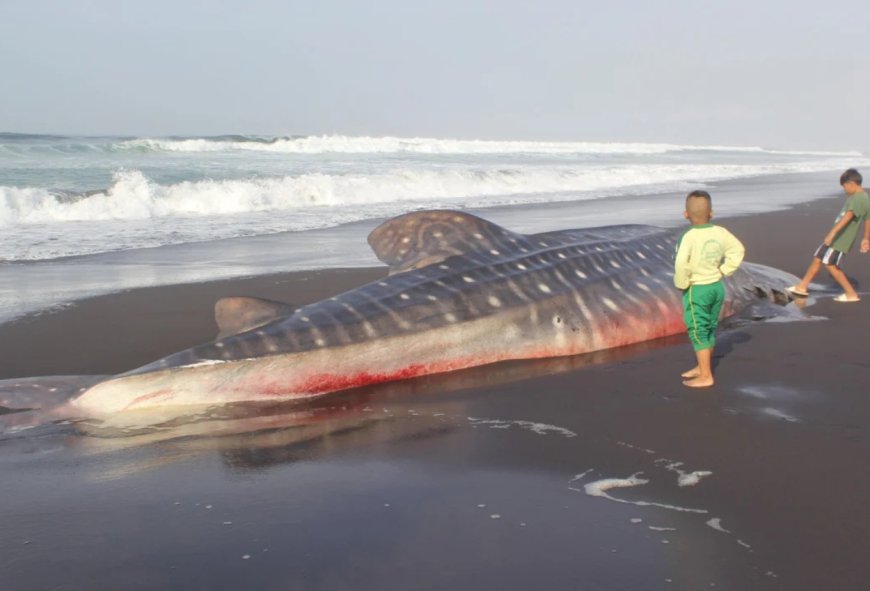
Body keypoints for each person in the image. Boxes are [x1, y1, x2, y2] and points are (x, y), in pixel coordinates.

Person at [674, 190, 745, 388]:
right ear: (711, 213)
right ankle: (701, 366)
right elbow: (738, 249)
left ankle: (706, 376)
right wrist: (725, 270)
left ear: (685, 214)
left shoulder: (687, 237)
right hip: (716, 287)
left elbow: (681, 264)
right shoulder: (720, 232)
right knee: (709, 328)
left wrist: (681, 284)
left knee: (698, 331)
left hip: (697, 290)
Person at [787, 169, 869, 302]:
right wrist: (865, 239)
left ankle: (851, 294)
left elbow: (849, 216)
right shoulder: (862, 197)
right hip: (837, 237)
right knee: (818, 257)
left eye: (845, 187)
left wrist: (832, 233)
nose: (845, 190)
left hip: (841, 239)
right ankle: (802, 287)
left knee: (831, 265)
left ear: (851, 183)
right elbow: (868, 219)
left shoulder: (859, 198)